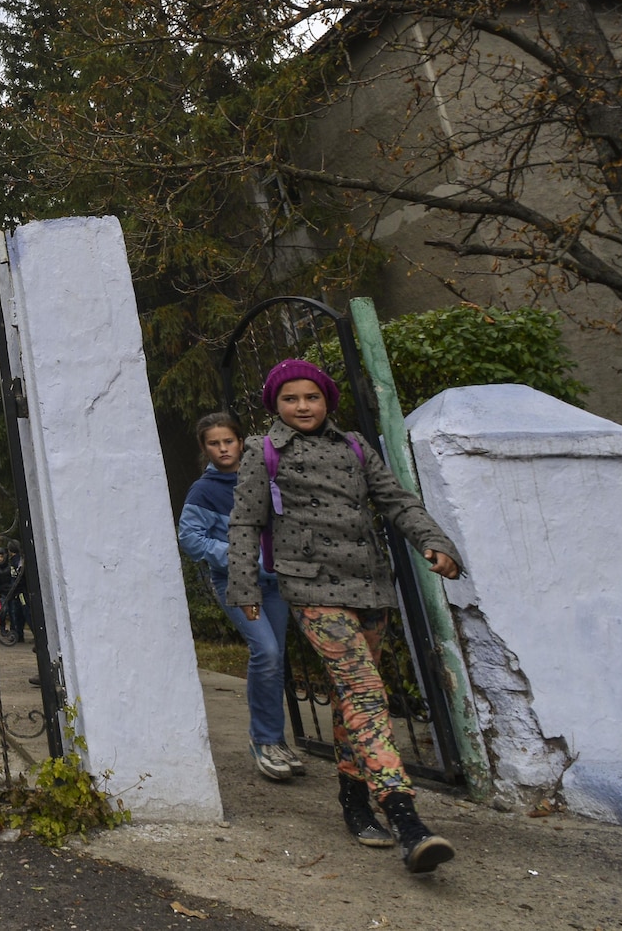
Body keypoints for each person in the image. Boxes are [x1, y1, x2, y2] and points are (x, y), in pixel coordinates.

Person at [227, 359, 466, 875]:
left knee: (349, 696)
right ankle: (405, 817)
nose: (302, 407)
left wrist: (433, 541)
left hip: (369, 583)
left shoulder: (355, 446)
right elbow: (245, 522)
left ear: (327, 400)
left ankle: (354, 800)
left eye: (311, 397)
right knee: (362, 690)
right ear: (275, 405)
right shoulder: (260, 451)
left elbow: (396, 501)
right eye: (290, 399)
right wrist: (244, 586)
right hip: (311, 586)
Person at [177, 411, 301, 783]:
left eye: (228, 441)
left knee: (275, 659)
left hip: (276, 584)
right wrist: (237, 555)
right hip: (234, 584)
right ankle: (263, 741)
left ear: (240, 441)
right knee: (265, 651)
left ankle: (275, 740)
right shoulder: (203, 491)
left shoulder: (261, 477)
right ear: (205, 448)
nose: (222, 448)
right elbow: (189, 537)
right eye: (214, 443)